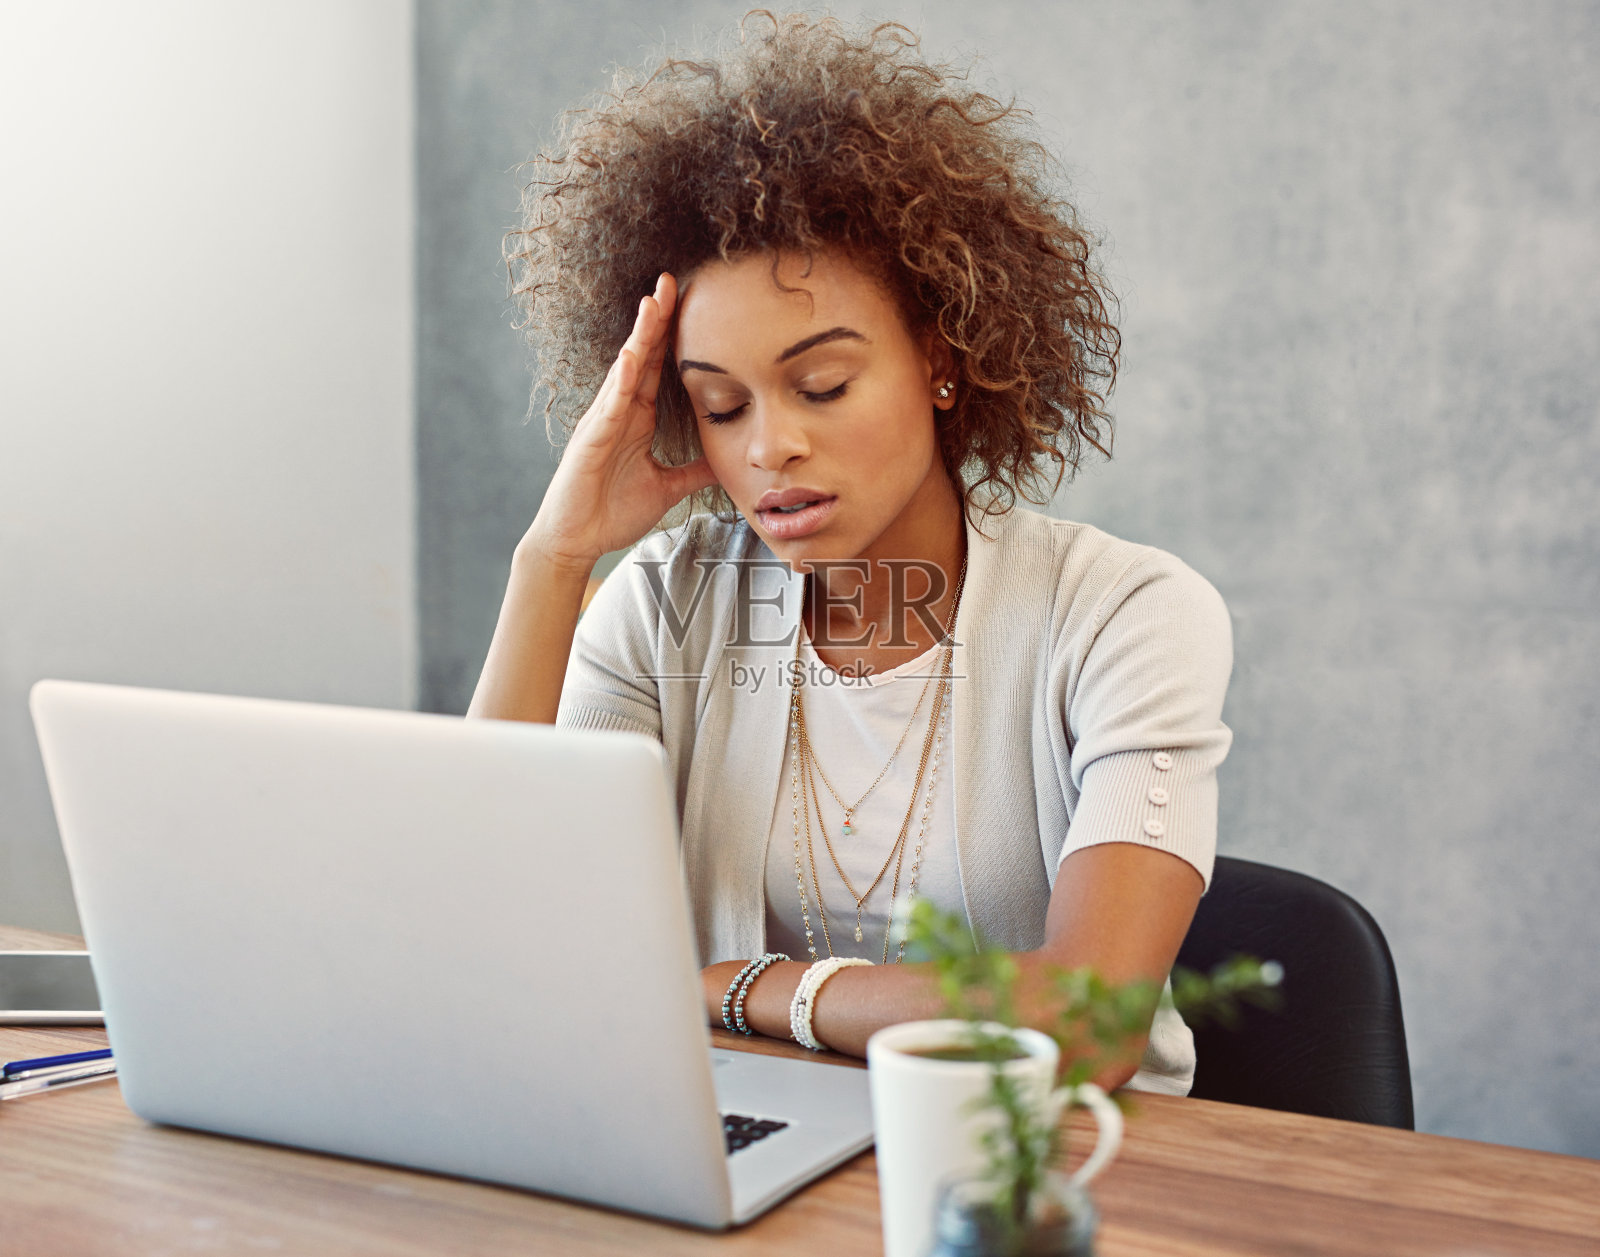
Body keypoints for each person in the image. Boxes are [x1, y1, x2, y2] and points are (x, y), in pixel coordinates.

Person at [470, 12, 1233, 1094]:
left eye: (821, 386)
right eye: (720, 406)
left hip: (1052, 1170)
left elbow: (1091, 1019)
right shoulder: (656, 610)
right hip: (740, 1144)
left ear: (941, 356)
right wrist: (551, 562)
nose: (770, 443)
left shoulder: (1124, 615)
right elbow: (492, 930)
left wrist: (744, 988)